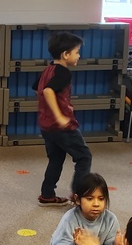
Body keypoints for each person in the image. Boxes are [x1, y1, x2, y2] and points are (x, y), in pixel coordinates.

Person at [34, 31, 92, 205]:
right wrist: (59, 115)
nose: (78, 56)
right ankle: (78, 195)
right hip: (62, 126)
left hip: (46, 125)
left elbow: (37, 86)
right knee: (84, 157)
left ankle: (47, 194)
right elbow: (48, 90)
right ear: (66, 55)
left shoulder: (48, 69)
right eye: (77, 52)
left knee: (56, 158)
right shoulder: (63, 73)